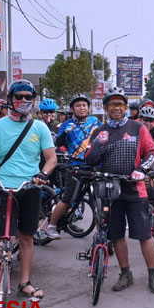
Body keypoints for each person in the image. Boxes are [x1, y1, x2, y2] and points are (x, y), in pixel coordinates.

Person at [0, 79, 57, 301]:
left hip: (30, 187)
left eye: (28, 97)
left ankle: (25, 282)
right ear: (10, 99)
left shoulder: (40, 127)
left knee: (27, 236)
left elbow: (51, 159)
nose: (23, 101)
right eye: (18, 96)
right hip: (3, 187)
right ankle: (0, 286)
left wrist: (43, 175)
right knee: (4, 238)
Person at [84, 87, 154, 294]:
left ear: (126, 107)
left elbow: (153, 152)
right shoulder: (99, 131)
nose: (117, 108)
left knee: (144, 235)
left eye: (120, 104)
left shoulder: (137, 128)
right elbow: (90, 160)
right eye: (112, 104)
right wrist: (98, 145)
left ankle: (153, 275)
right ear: (105, 108)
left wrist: (141, 170)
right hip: (110, 192)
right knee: (117, 235)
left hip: (135, 190)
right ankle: (126, 274)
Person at [44, 93, 101, 239]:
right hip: (76, 166)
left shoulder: (96, 122)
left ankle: (101, 232)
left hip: (94, 166)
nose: (82, 108)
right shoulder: (66, 124)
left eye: (84, 105)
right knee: (68, 198)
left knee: (99, 200)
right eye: (78, 105)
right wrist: (64, 134)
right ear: (72, 109)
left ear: (88, 108)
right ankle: (52, 226)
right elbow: (58, 144)